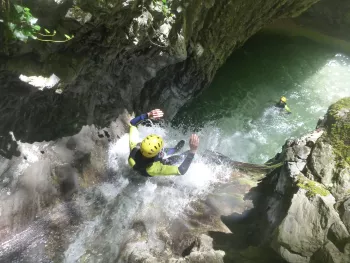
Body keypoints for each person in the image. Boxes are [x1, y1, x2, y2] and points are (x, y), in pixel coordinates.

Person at [128, 109, 199, 177]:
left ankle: (175, 149)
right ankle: (182, 153)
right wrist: (193, 151)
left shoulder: (134, 148)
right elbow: (181, 171)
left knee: (164, 152)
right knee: (176, 158)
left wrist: (148, 114)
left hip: (146, 160)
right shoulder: (155, 168)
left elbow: (132, 124)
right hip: (152, 166)